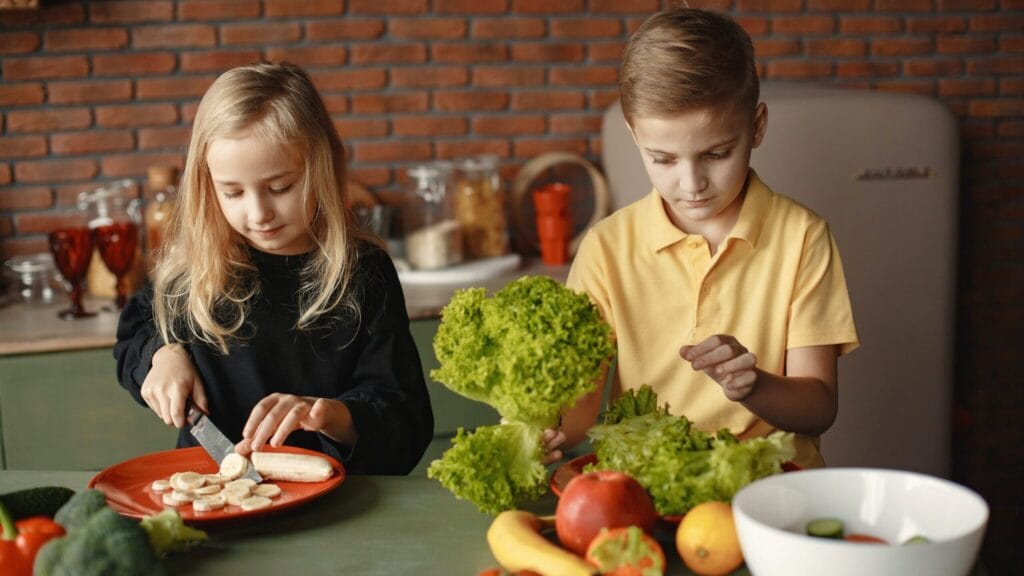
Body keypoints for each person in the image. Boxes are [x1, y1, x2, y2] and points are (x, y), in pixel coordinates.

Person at [551, 8, 859, 469]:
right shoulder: (606, 249)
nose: (691, 183)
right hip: (646, 485)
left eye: (716, 154)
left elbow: (818, 409)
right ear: (636, 138)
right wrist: (544, 429)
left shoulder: (801, 237)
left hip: (771, 487)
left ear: (756, 127)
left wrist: (752, 383)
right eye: (663, 159)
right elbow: (577, 415)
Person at [114, 62, 433, 475]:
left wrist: (329, 416)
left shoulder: (363, 273)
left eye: (280, 187)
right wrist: (161, 356)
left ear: (324, 166)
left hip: (338, 504)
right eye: (232, 192)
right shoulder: (191, 266)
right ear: (207, 185)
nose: (258, 213)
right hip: (214, 494)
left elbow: (405, 421)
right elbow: (134, 331)